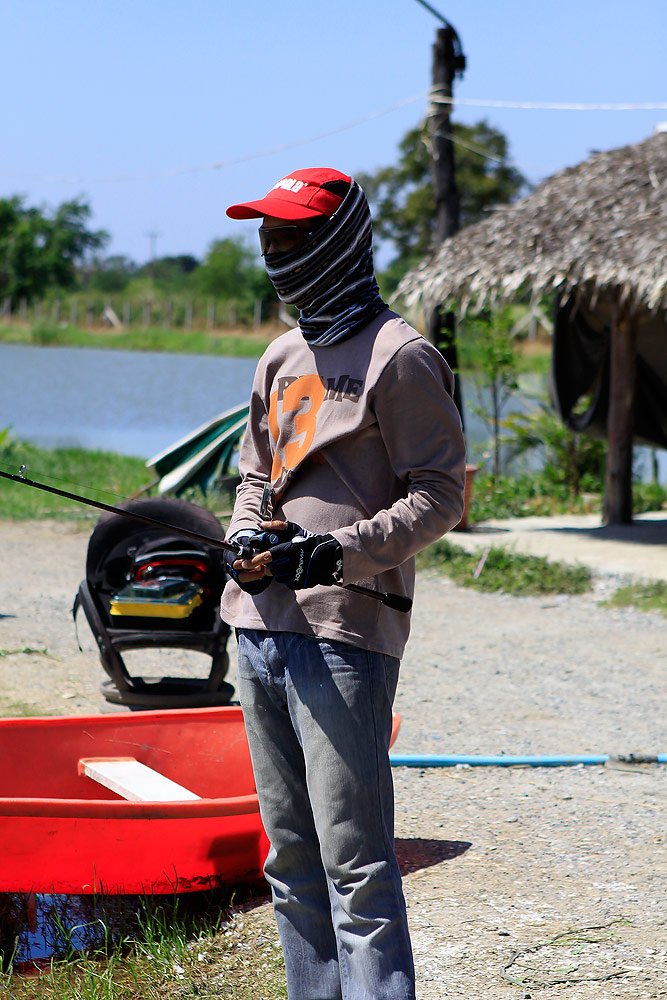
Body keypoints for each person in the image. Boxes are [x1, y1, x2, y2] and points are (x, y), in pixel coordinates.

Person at [221, 167, 466, 1000]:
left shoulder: (402, 356)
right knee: (287, 860)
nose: (273, 253)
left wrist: (334, 552)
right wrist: (245, 537)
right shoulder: (280, 355)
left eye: (290, 238)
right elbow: (255, 475)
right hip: (257, 627)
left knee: (355, 864)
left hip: (345, 636)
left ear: (338, 241)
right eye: (266, 239)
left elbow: (440, 495)